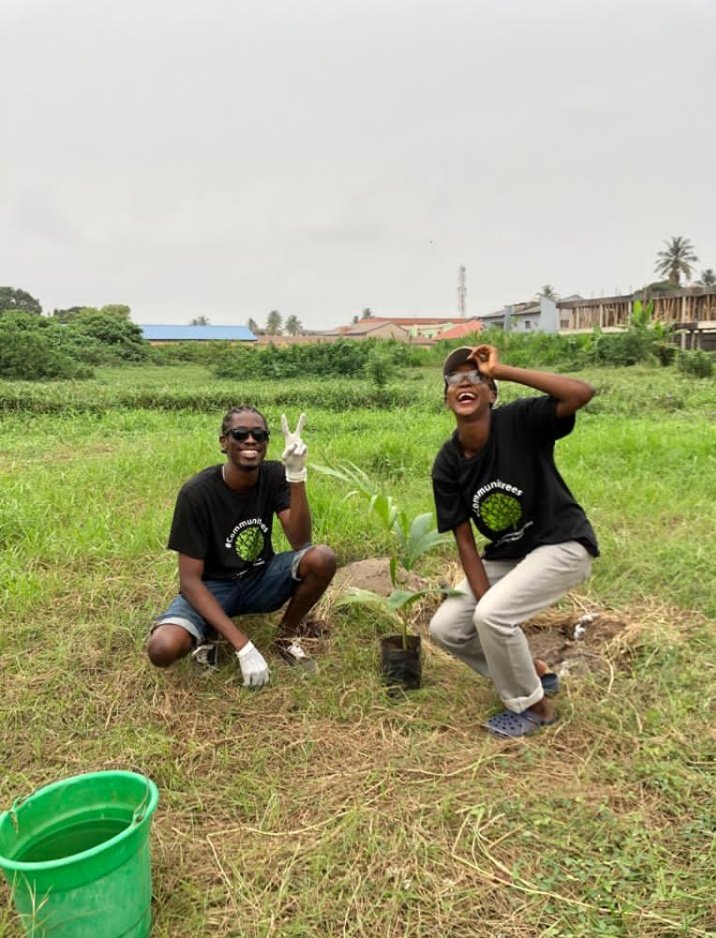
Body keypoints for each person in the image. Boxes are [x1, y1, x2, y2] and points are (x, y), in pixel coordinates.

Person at [429, 344, 599, 737]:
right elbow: (465, 543)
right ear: (447, 399)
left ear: (492, 393)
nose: (465, 382)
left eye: (477, 377)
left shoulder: (519, 421)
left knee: (492, 615)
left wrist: (502, 369)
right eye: (455, 379)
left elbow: (580, 393)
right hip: (508, 555)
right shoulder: (448, 463)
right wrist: (484, 600)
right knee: (446, 628)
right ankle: (533, 673)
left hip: (562, 542)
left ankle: (534, 707)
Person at [147, 406, 336, 687]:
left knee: (322, 558)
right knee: (162, 648)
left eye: (259, 435)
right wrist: (244, 646)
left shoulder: (274, 475)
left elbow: (300, 542)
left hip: (260, 578)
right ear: (224, 442)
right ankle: (208, 635)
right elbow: (189, 581)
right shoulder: (196, 494)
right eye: (240, 434)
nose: (250, 441)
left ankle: (285, 639)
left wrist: (296, 476)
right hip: (213, 587)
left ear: (266, 442)